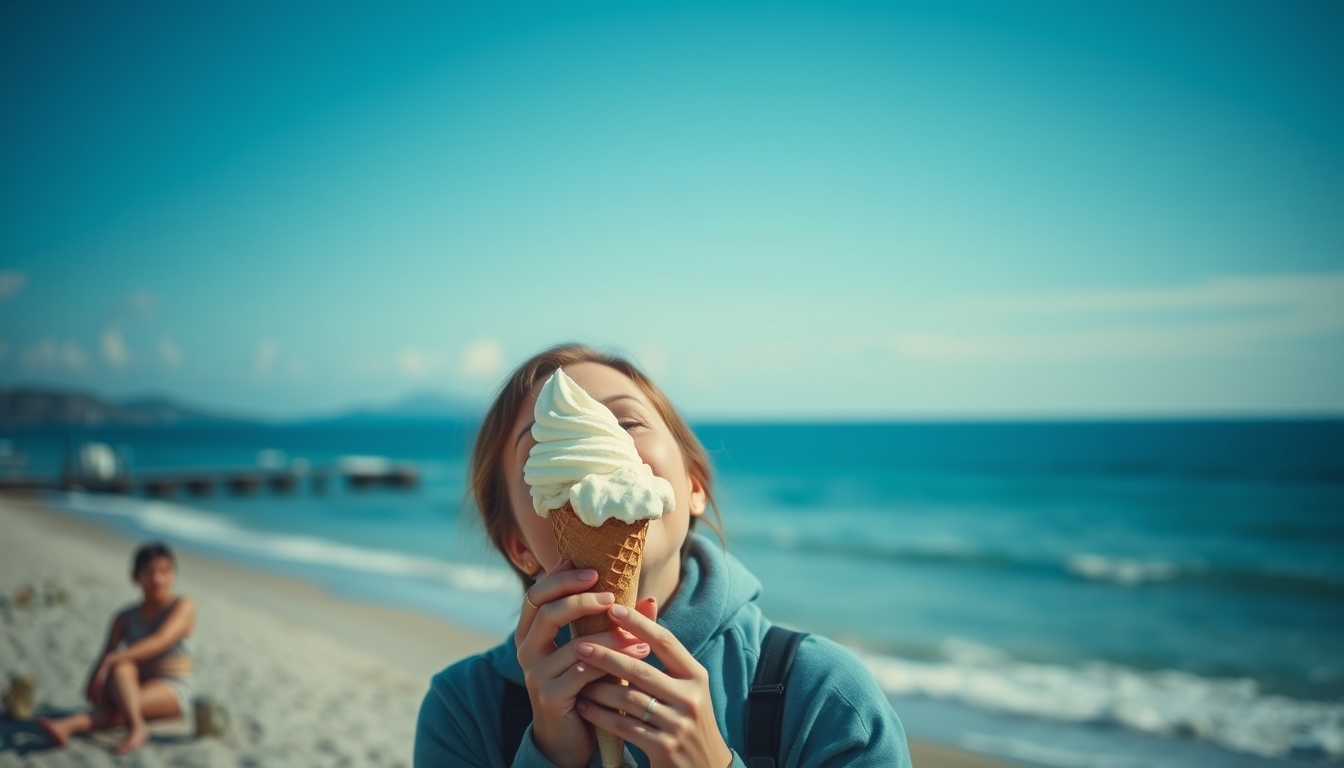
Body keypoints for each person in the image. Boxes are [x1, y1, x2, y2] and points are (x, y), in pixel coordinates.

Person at [415, 344, 911, 768]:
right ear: (518, 545)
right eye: (548, 441)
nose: (604, 448)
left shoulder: (825, 695)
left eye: (627, 421)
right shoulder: (464, 709)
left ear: (693, 486)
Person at [39, 541, 196, 755]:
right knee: (122, 668)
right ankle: (69, 726)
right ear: (135, 577)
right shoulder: (124, 617)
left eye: (165, 571)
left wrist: (113, 660)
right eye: (149, 572)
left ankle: (127, 727)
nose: (158, 579)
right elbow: (106, 654)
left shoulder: (181, 606)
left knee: (120, 703)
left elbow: (161, 639)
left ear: (174, 576)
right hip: (131, 685)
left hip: (171, 690)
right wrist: (95, 680)